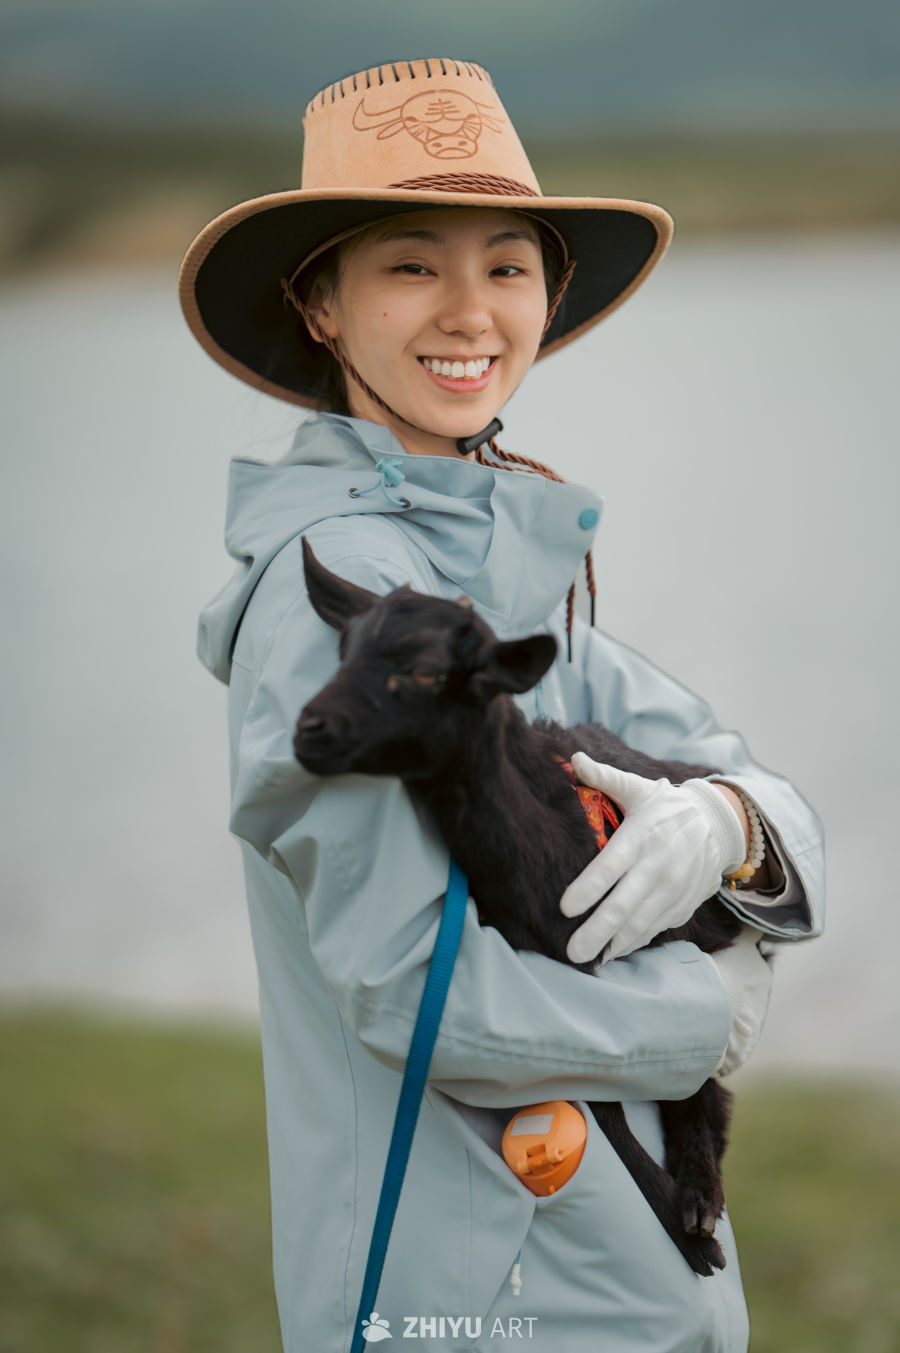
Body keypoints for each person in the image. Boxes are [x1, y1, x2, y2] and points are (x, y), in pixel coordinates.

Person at [179, 57, 824, 1353]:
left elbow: (722, 762)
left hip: (614, 1269)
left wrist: (734, 829)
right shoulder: (347, 597)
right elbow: (428, 993)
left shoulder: (483, 555)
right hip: (478, 1295)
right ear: (321, 303)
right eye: (412, 264)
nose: (471, 311)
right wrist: (714, 1012)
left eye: (509, 265)